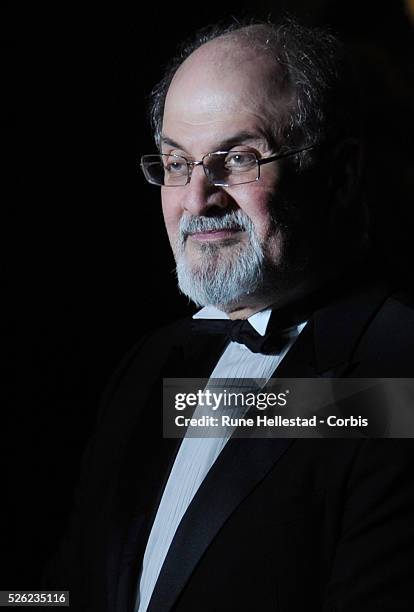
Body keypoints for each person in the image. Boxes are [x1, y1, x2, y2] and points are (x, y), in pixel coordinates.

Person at [45, 17, 414, 611]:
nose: (197, 198)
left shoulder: (394, 379)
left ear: (341, 174)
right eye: (176, 163)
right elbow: (70, 588)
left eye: (238, 159)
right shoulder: (154, 365)